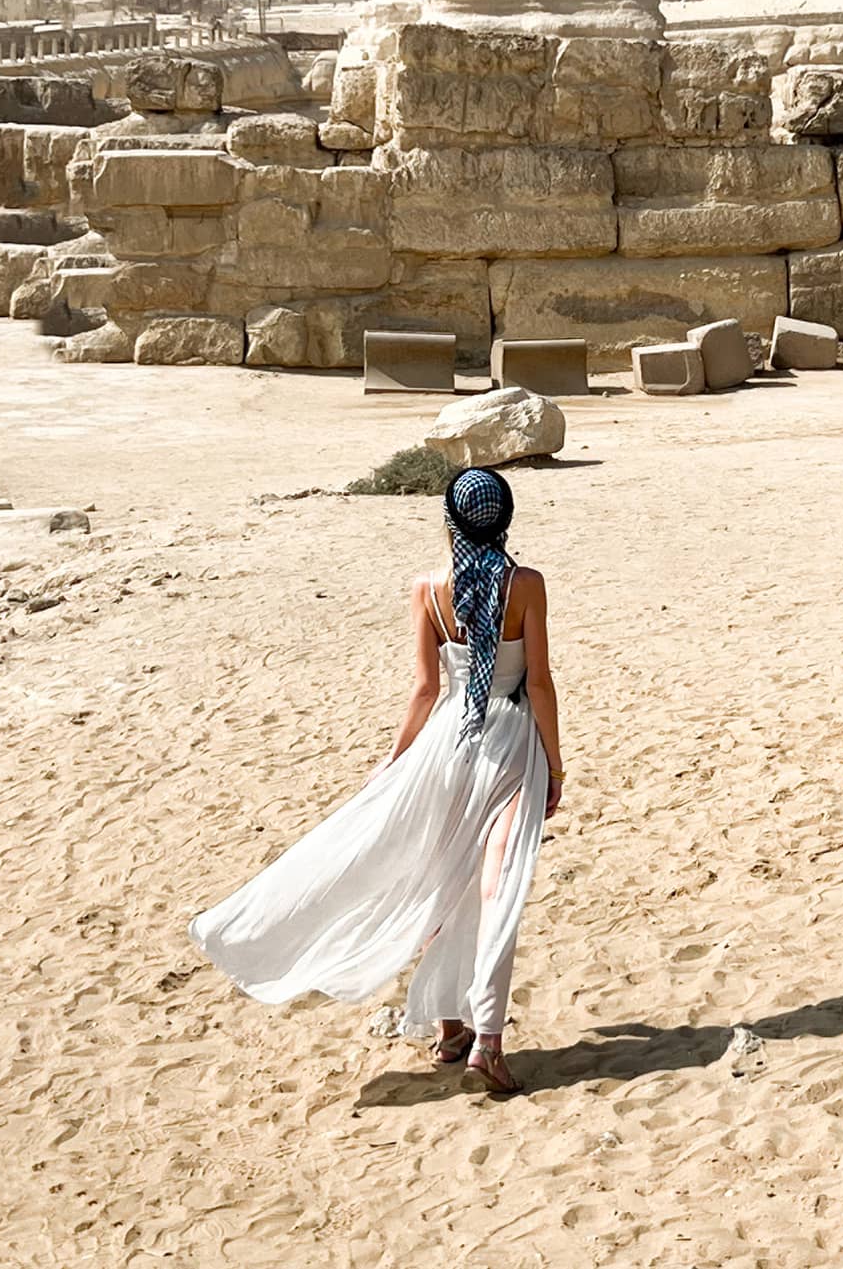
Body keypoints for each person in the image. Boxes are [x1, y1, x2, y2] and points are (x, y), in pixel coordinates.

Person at [188, 467, 564, 1095]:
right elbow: (542, 682)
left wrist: (397, 762)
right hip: (508, 741)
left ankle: (451, 1029)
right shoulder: (525, 585)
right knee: (499, 887)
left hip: (448, 743)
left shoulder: (428, 589)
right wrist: (554, 765)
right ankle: (488, 1039)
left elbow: (424, 688)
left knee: (444, 878)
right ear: (505, 521)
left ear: (449, 523)